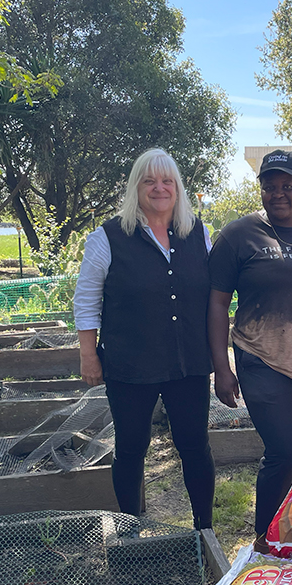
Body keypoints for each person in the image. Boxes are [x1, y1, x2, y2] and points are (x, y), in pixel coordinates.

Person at [208, 149, 292, 549]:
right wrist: (221, 366)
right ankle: (264, 539)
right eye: (270, 187)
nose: (278, 193)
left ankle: (291, 529)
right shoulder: (239, 235)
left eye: (288, 186)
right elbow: (217, 302)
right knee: (284, 450)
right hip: (261, 357)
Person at [73, 148, 215, 528]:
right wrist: (89, 355)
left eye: (167, 181)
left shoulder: (198, 233)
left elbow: (216, 294)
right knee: (132, 447)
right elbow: (86, 301)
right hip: (129, 363)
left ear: (178, 188)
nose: (159, 188)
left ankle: (205, 529)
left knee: (194, 446)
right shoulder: (107, 238)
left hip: (188, 363)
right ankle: (130, 527)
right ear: (136, 187)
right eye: (149, 181)